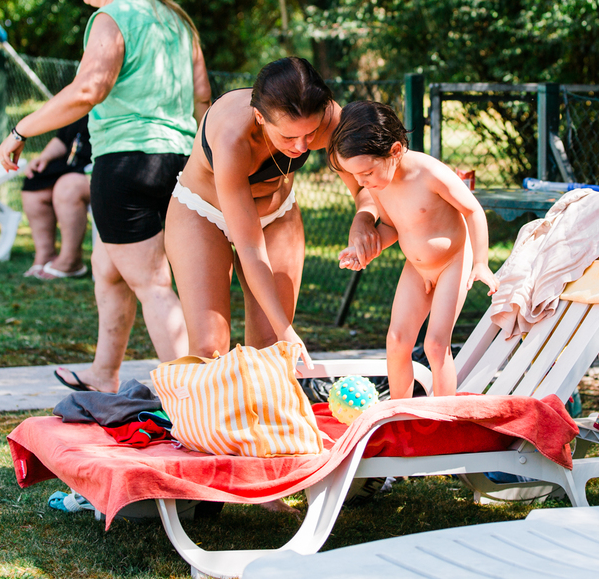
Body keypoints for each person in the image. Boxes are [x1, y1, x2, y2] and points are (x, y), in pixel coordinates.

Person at [0, 0, 210, 393]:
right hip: (178, 161)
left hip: (126, 164)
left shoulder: (111, 17)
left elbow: (88, 91)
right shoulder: (176, 19)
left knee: (153, 284)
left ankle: (199, 399)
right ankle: (103, 374)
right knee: (108, 268)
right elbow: (201, 98)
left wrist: (21, 131)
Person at [165, 57, 381, 368]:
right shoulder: (232, 138)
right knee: (209, 347)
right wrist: (287, 330)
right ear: (260, 118)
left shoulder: (330, 120)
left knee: (271, 347)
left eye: (311, 133)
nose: (303, 147)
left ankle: (266, 417)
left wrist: (363, 221)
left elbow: (366, 186)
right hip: (202, 212)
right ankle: (208, 416)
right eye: (289, 137)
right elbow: (250, 248)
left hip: (277, 213)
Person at [328, 100, 498, 399]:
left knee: (435, 344)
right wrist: (364, 251)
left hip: (453, 263)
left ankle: (445, 419)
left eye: (366, 173)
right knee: (396, 340)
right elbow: (392, 227)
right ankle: (400, 414)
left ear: (394, 151)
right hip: (417, 268)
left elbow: (473, 211)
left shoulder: (429, 173)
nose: (360, 182)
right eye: (355, 175)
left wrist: (481, 263)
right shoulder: (381, 185)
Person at [20, 116, 92, 279]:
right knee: (34, 184)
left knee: (67, 188)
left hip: (103, 164)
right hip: (75, 163)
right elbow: (63, 138)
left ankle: (71, 261)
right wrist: (43, 157)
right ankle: (45, 255)